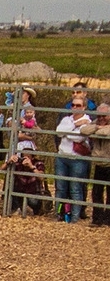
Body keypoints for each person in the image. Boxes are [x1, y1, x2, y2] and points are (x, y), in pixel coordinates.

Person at [54, 95, 92, 223]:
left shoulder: (88, 121)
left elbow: (79, 138)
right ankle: (59, 213)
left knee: (75, 188)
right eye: (73, 105)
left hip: (78, 159)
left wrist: (67, 133)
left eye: (78, 105)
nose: (75, 107)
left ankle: (74, 217)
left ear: (84, 107)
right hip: (62, 157)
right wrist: (75, 125)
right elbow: (59, 132)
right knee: (61, 188)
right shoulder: (66, 119)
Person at [81, 103, 110, 226]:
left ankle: (107, 219)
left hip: (109, 162)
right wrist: (98, 127)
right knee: (96, 192)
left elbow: (105, 133)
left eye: (104, 116)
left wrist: (97, 129)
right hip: (99, 163)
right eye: (99, 116)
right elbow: (83, 130)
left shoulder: (98, 125)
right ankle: (97, 218)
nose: (101, 118)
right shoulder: (96, 122)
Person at [0, 150, 47, 216]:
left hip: (34, 192)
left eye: (28, 157)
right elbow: (0, 170)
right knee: (10, 192)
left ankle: (32, 209)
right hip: (20, 192)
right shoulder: (18, 163)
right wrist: (8, 161)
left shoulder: (38, 163)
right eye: (24, 157)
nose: (25, 159)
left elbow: (42, 177)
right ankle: (19, 209)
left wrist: (31, 166)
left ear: (32, 158)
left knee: (33, 202)